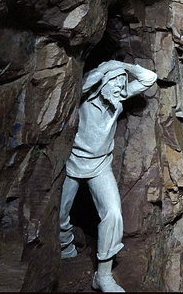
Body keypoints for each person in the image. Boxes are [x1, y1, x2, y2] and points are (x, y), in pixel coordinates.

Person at [59, 60, 157, 293]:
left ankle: (103, 276)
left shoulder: (118, 97)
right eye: (115, 83)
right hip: (73, 162)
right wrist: (104, 69)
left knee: (113, 213)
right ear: (102, 84)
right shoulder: (84, 98)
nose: (120, 88)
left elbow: (149, 78)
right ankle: (65, 246)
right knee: (61, 212)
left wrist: (126, 67)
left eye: (122, 84)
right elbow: (81, 85)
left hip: (100, 166)